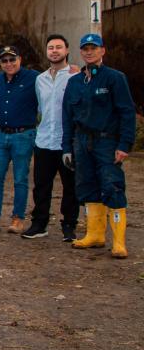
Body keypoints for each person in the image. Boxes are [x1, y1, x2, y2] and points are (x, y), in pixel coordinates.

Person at [63, 33, 136, 259]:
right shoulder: (75, 82)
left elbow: (127, 112)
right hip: (82, 141)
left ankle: (119, 242)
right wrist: (67, 147)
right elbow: (67, 116)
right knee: (87, 187)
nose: (89, 52)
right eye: (85, 48)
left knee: (112, 186)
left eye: (93, 48)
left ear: (102, 51)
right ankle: (95, 234)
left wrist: (124, 144)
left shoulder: (114, 78)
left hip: (107, 140)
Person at [23, 35, 80, 241]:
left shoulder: (76, 76)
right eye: (50, 48)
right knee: (41, 185)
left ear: (66, 50)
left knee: (70, 186)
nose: (54, 51)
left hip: (67, 141)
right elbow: (40, 108)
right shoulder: (40, 79)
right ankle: (39, 224)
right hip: (44, 140)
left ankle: (69, 225)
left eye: (58, 47)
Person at [0, 46, 39, 235]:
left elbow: (53, 78)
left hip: (24, 134)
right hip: (2, 135)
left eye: (12, 60)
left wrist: (70, 69)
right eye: (4, 61)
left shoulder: (33, 78)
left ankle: (18, 218)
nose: (9, 64)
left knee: (20, 178)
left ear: (19, 59)